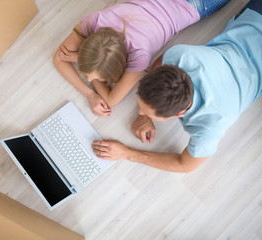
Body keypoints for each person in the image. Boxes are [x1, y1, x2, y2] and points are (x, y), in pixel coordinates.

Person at [91, 0, 262, 173]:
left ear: (179, 114)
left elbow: (185, 165)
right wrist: (146, 117)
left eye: (144, 111)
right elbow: (160, 63)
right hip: (254, 18)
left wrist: (128, 153)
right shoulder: (181, 56)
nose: (140, 111)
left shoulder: (211, 125)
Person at [53, 0, 230, 117]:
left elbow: (111, 100)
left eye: (97, 78)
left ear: (119, 70)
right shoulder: (94, 20)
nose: (91, 79)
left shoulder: (139, 55)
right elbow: (59, 58)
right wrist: (89, 85)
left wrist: (89, 86)